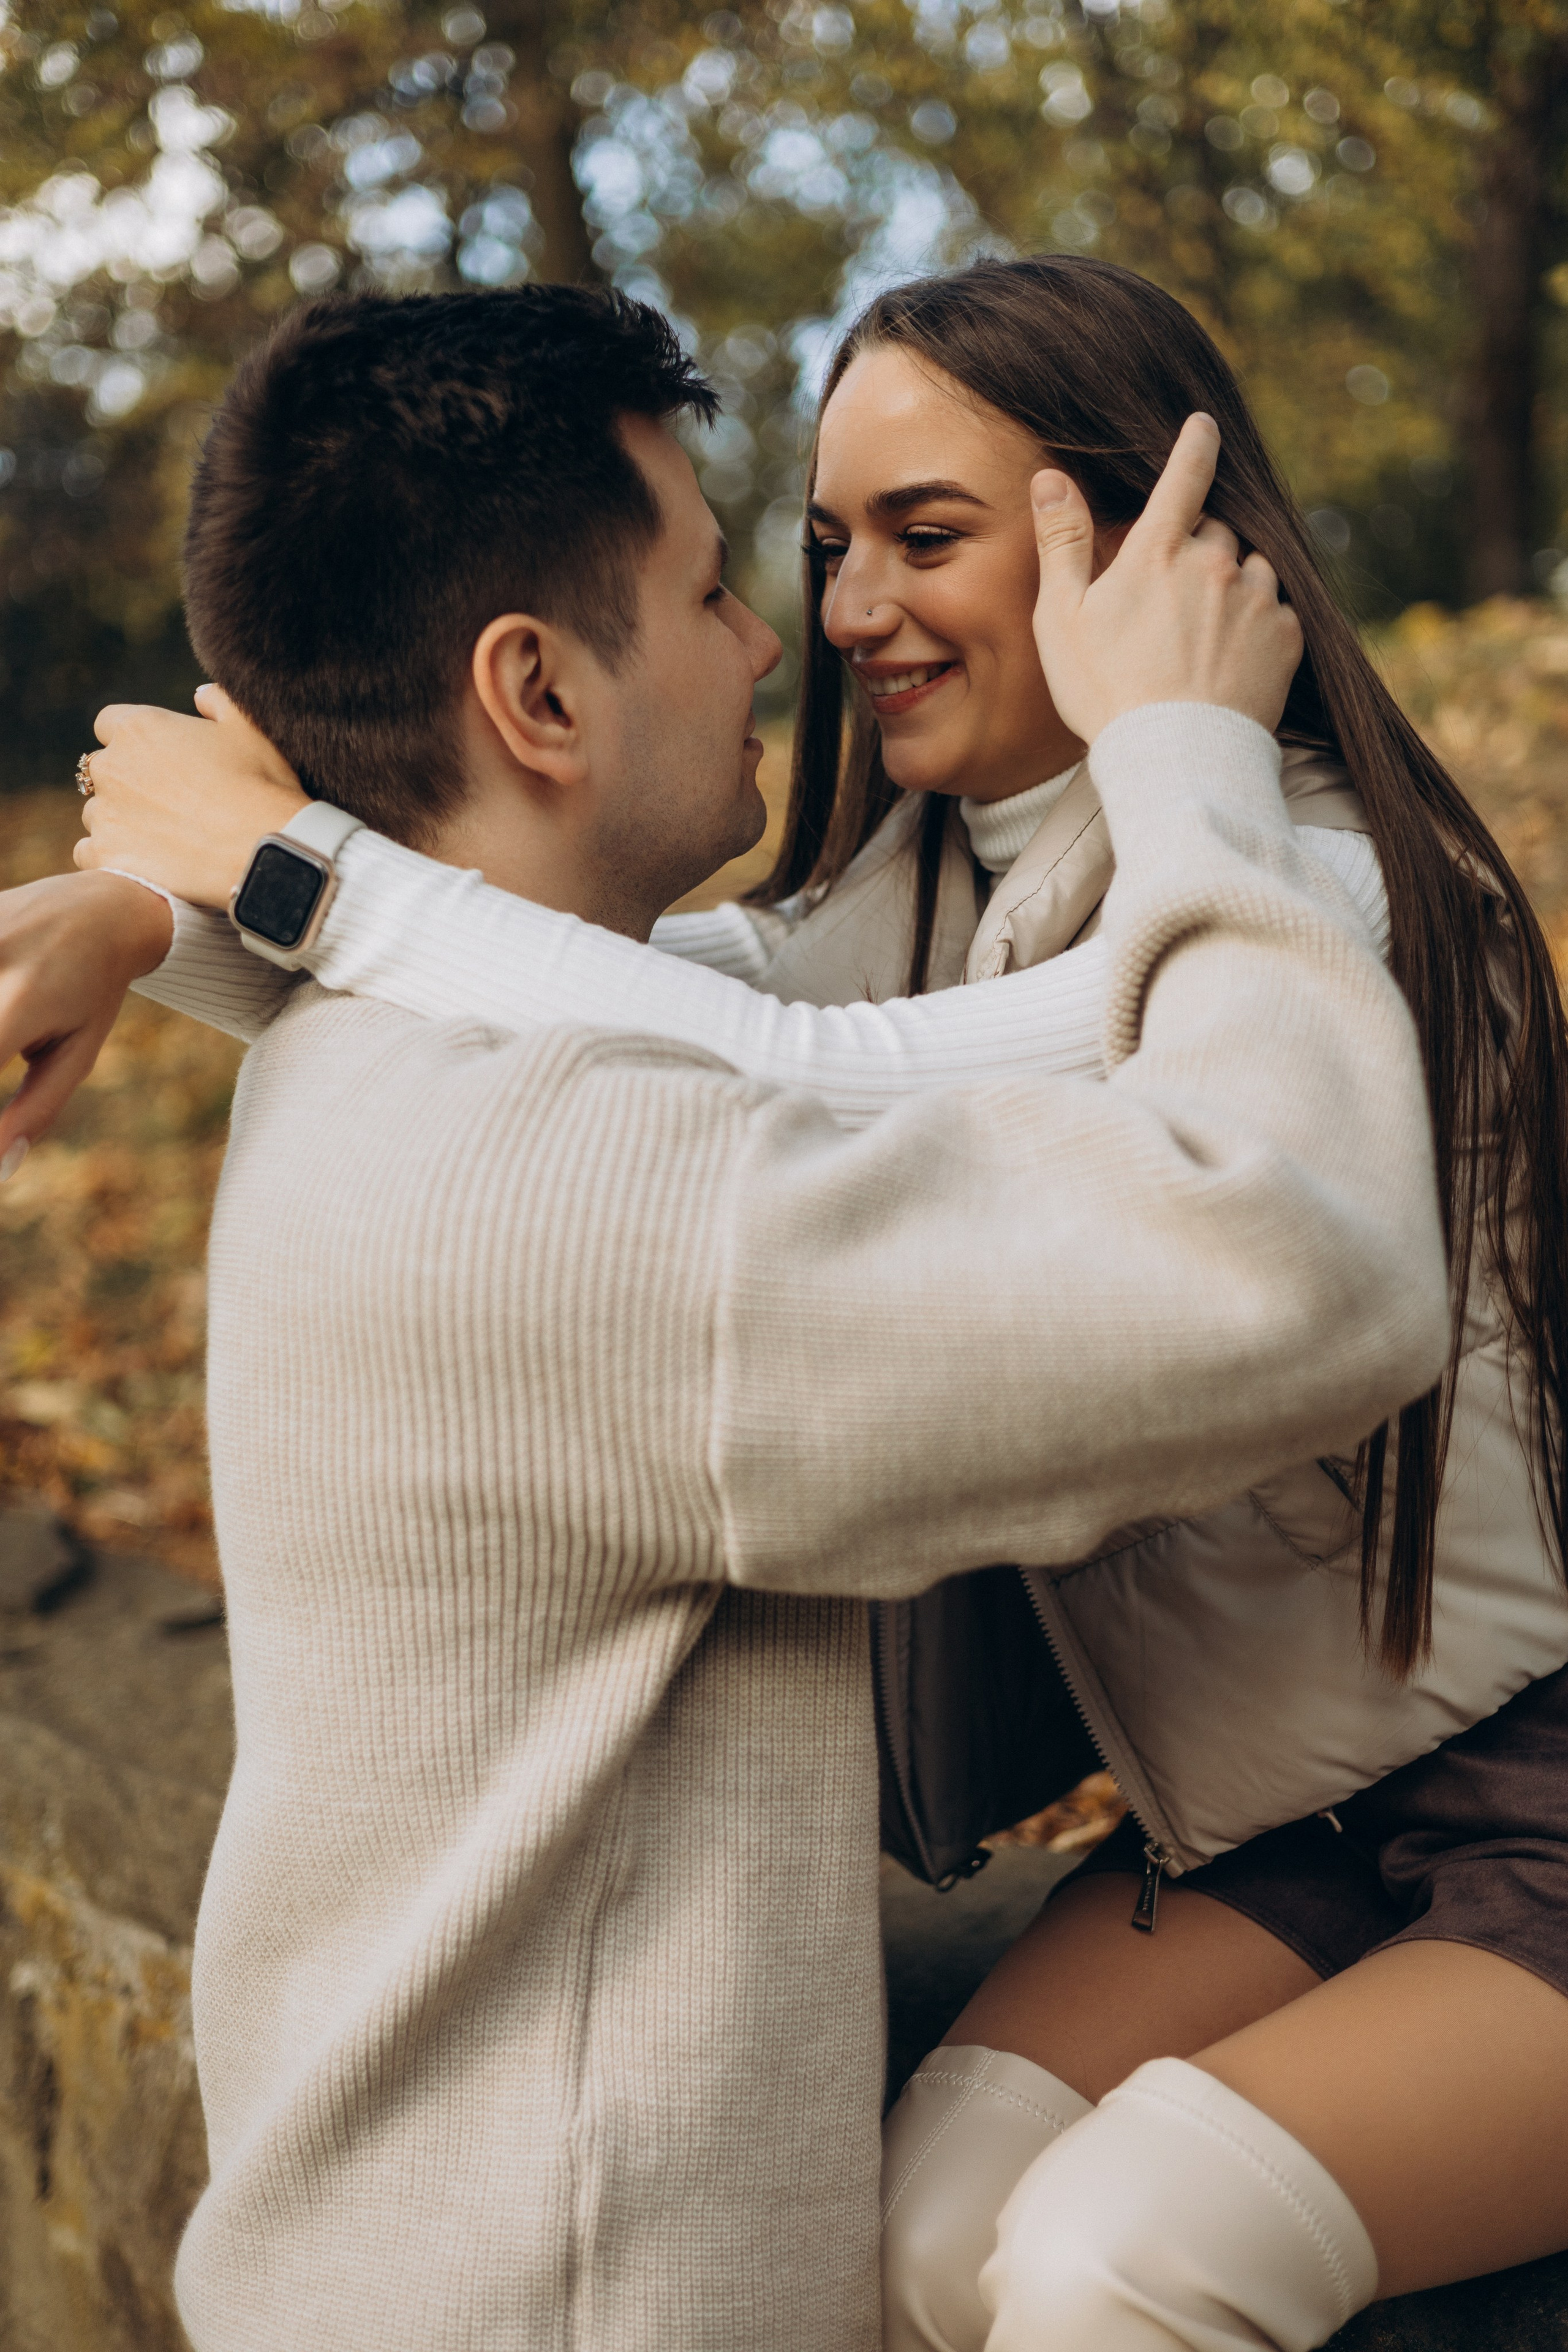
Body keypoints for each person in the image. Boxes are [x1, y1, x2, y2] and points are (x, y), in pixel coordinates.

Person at [50, 258, 1568, 2351]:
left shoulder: (1299, 886)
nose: (829, 618)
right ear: (541, 686)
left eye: (924, 537)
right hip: (1272, 1826)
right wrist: (149, 917)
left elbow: (826, 1083)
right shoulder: (914, 899)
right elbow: (691, 1024)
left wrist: (295, 884)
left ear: (1146, 555)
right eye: (805, 550)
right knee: (938, 2231)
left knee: (1129, 2246)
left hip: (1528, 1778)